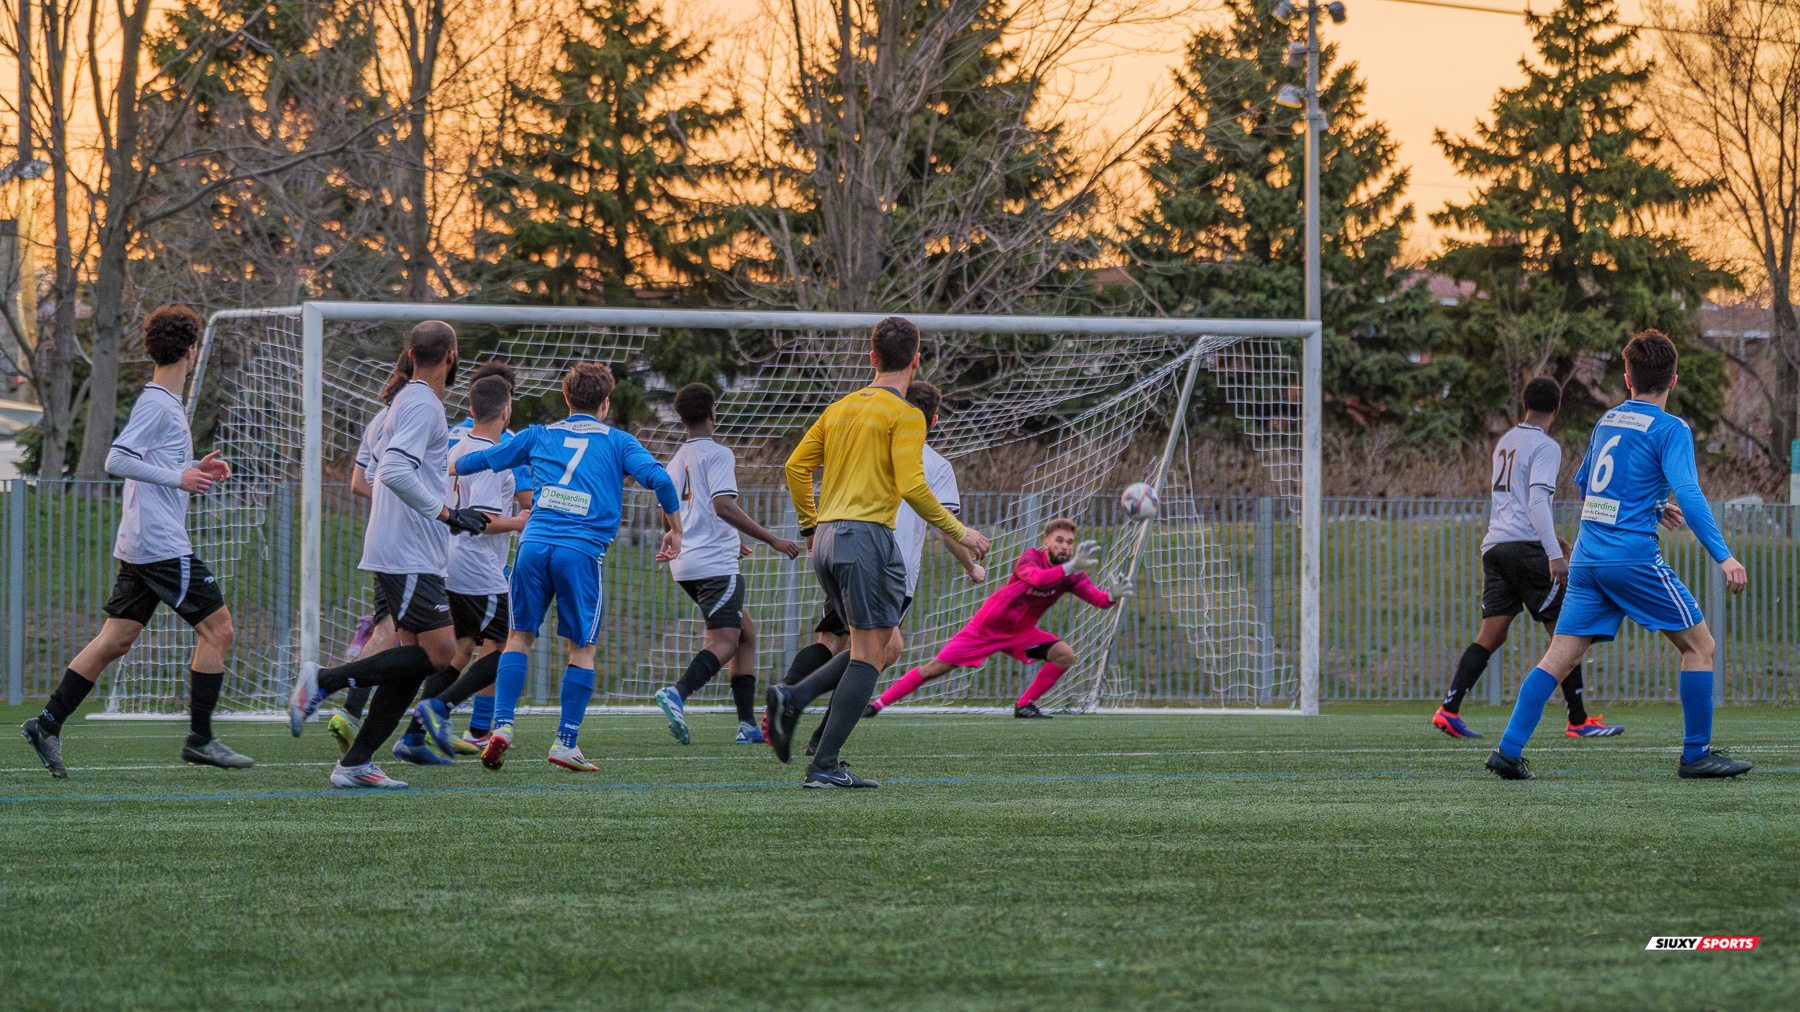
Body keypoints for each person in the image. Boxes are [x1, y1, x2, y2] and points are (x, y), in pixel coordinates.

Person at [1485, 330, 1752, 781]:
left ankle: (1507, 752)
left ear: (1627, 378)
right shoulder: (1671, 428)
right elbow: (1688, 493)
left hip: (1588, 558)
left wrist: (1647, 503)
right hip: (1631, 558)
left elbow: (1589, 484)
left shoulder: (1609, 419)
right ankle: (1696, 755)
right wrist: (1724, 556)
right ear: (1673, 379)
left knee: (1559, 657)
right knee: (1700, 647)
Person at [20, 306, 249, 778]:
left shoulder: (164, 403)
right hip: (161, 545)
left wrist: (195, 471)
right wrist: (180, 477)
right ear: (192, 349)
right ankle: (201, 739)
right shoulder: (157, 403)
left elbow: (153, 467)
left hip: (142, 542)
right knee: (219, 630)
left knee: (116, 638)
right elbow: (117, 459)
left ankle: (46, 724)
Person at [763, 317, 991, 787]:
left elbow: (795, 466)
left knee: (883, 645)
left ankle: (797, 700)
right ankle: (822, 763)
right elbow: (912, 486)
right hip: (866, 539)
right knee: (871, 654)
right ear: (916, 358)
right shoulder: (906, 414)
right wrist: (961, 530)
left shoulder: (842, 407)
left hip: (828, 538)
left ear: (872, 358)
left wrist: (810, 527)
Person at [287, 321, 493, 789]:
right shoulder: (423, 405)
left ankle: (355, 763)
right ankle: (324, 679)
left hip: (407, 547)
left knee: (417, 656)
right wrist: (447, 513)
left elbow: (385, 474)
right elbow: (395, 472)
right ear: (452, 354)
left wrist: (450, 512)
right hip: (407, 550)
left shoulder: (410, 401)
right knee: (440, 654)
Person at [453, 362, 681, 772]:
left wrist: (446, 467)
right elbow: (662, 481)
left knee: (518, 637)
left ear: (566, 398)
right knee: (583, 646)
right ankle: (565, 742)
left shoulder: (538, 434)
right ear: (605, 403)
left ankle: (502, 726)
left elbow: (485, 459)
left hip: (533, 545)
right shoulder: (619, 441)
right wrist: (675, 530)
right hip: (579, 553)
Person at [796, 379, 984, 754]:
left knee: (836, 640)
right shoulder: (931, 459)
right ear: (931, 418)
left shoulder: (860, 435)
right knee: (879, 650)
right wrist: (968, 553)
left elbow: (796, 466)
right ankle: (798, 711)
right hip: (882, 562)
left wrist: (811, 529)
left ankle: (802, 718)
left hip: (837, 547)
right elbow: (932, 510)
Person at [1433, 377, 1623, 739]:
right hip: (1524, 548)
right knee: (1568, 631)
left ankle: (1449, 709)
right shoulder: (1545, 446)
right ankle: (1579, 720)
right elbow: (1536, 501)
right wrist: (1554, 554)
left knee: (1492, 634)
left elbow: (1516, 505)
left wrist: (1551, 540)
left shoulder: (1506, 441)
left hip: (1496, 546)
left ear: (1525, 404)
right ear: (1557, 407)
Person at [651, 383, 803, 746]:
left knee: (745, 634)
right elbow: (722, 505)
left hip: (686, 564)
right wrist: (772, 539)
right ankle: (677, 693)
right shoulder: (718, 454)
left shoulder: (675, 461)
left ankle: (747, 725)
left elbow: (666, 514)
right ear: (713, 412)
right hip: (714, 565)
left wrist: (680, 536)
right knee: (725, 640)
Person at [400, 374, 532, 763]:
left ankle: (412, 738)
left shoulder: (453, 448)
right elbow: (484, 518)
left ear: (471, 408)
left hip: (446, 560)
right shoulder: (493, 458)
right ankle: (440, 707)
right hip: (478, 567)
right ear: (506, 411)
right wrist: (522, 520)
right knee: (510, 644)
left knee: (461, 648)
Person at [870, 518, 1123, 719]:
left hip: (1021, 636)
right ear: (1046, 542)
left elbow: (1098, 600)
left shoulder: (1072, 572)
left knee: (1064, 655)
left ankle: (1025, 705)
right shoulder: (1030, 558)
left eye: (1070, 542)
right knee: (932, 670)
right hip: (985, 629)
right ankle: (877, 704)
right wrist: (1069, 567)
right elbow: (1038, 579)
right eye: (1060, 540)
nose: (1066, 546)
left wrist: (1112, 595)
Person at [325, 353, 411, 753]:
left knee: (392, 630)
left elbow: (360, 482)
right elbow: (392, 479)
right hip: (409, 544)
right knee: (425, 644)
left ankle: (353, 714)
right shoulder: (414, 417)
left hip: (385, 539)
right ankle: (332, 688)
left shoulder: (380, 418)